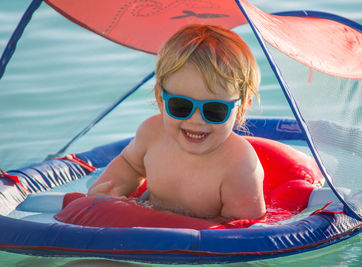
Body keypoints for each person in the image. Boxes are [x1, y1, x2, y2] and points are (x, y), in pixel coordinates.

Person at [88, 24, 266, 222]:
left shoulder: (239, 165)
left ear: (241, 108)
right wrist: (109, 193)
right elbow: (130, 165)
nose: (196, 120)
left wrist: (167, 220)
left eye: (214, 110)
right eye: (180, 106)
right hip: (147, 219)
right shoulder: (152, 134)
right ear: (160, 98)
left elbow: (244, 228)